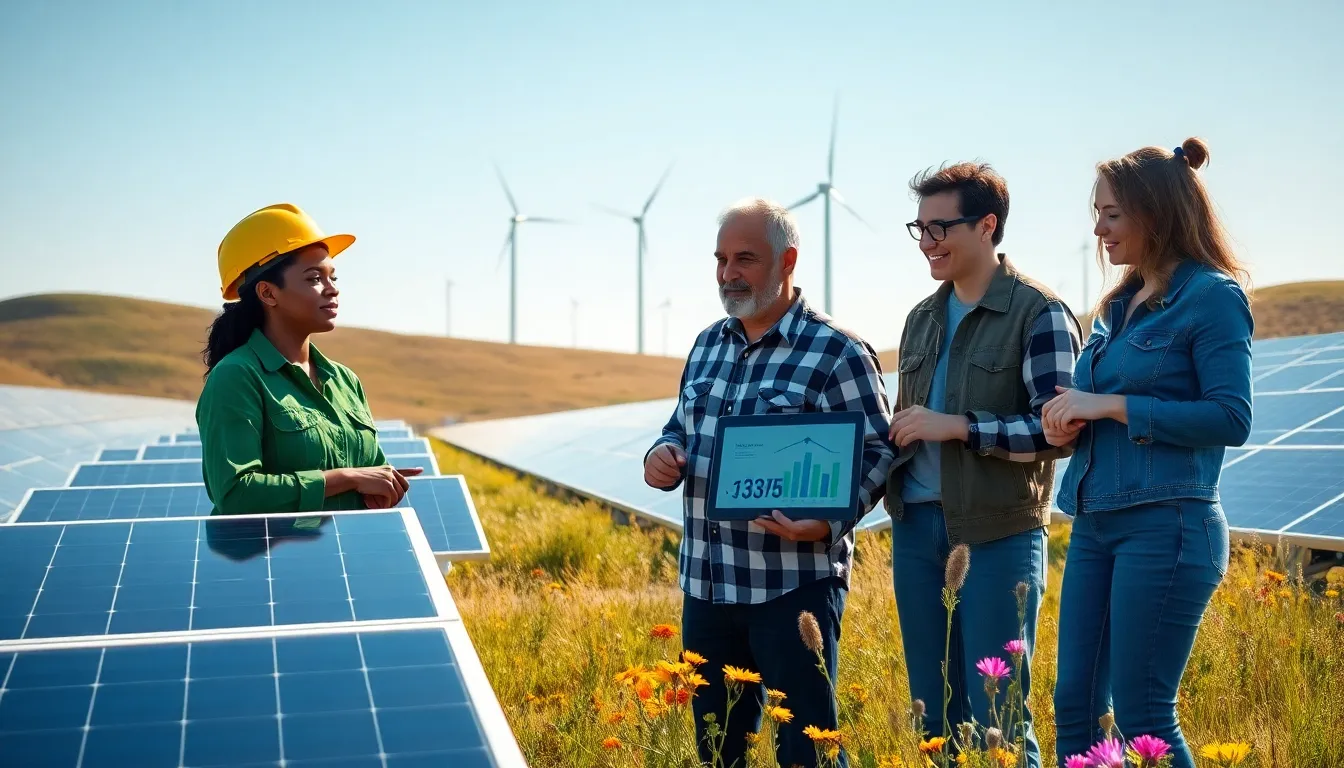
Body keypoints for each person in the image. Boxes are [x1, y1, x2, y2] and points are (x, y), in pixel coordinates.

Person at [643, 198, 894, 768]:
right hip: (706, 586)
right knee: (719, 750)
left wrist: (829, 521)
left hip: (791, 590)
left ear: (788, 261)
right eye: (721, 259)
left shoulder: (837, 352)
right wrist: (661, 455)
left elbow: (880, 451)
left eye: (746, 259)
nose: (728, 274)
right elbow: (677, 428)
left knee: (807, 749)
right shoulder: (707, 344)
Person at [1044, 138, 1252, 768]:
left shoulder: (1213, 296)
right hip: (1095, 522)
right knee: (1074, 706)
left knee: (1143, 718)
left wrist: (1110, 407)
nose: (1098, 228)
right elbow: (1095, 402)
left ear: (1155, 214)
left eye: (1111, 213)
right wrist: (1068, 422)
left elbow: (1230, 417)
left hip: (1169, 524)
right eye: (1097, 212)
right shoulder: (1114, 308)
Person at [884, 162, 1080, 766]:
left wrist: (961, 427)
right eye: (920, 228)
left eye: (942, 227)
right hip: (917, 531)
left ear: (988, 225)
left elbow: (1060, 431)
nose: (929, 242)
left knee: (996, 710)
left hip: (998, 533)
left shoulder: (1039, 313)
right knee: (932, 711)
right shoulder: (920, 317)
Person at [197, 203, 420, 515]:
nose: (332, 290)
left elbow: (368, 472)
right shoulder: (236, 377)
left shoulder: (345, 380)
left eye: (333, 277)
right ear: (268, 293)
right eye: (315, 278)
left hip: (346, 556)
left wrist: (383, 485)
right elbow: (235, 493)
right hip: (273, 561)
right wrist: (344, 479)